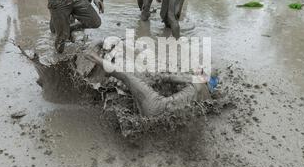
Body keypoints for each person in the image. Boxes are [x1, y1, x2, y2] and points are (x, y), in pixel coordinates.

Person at [84, 49, 215, 117]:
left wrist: (155, 76)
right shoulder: (207, 98)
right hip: (163, 116)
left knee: (126, 77)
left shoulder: (196, 81)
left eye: (199, 71)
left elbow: (167, 78)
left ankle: (96, 58)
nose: (196, 71)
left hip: (156, 107)